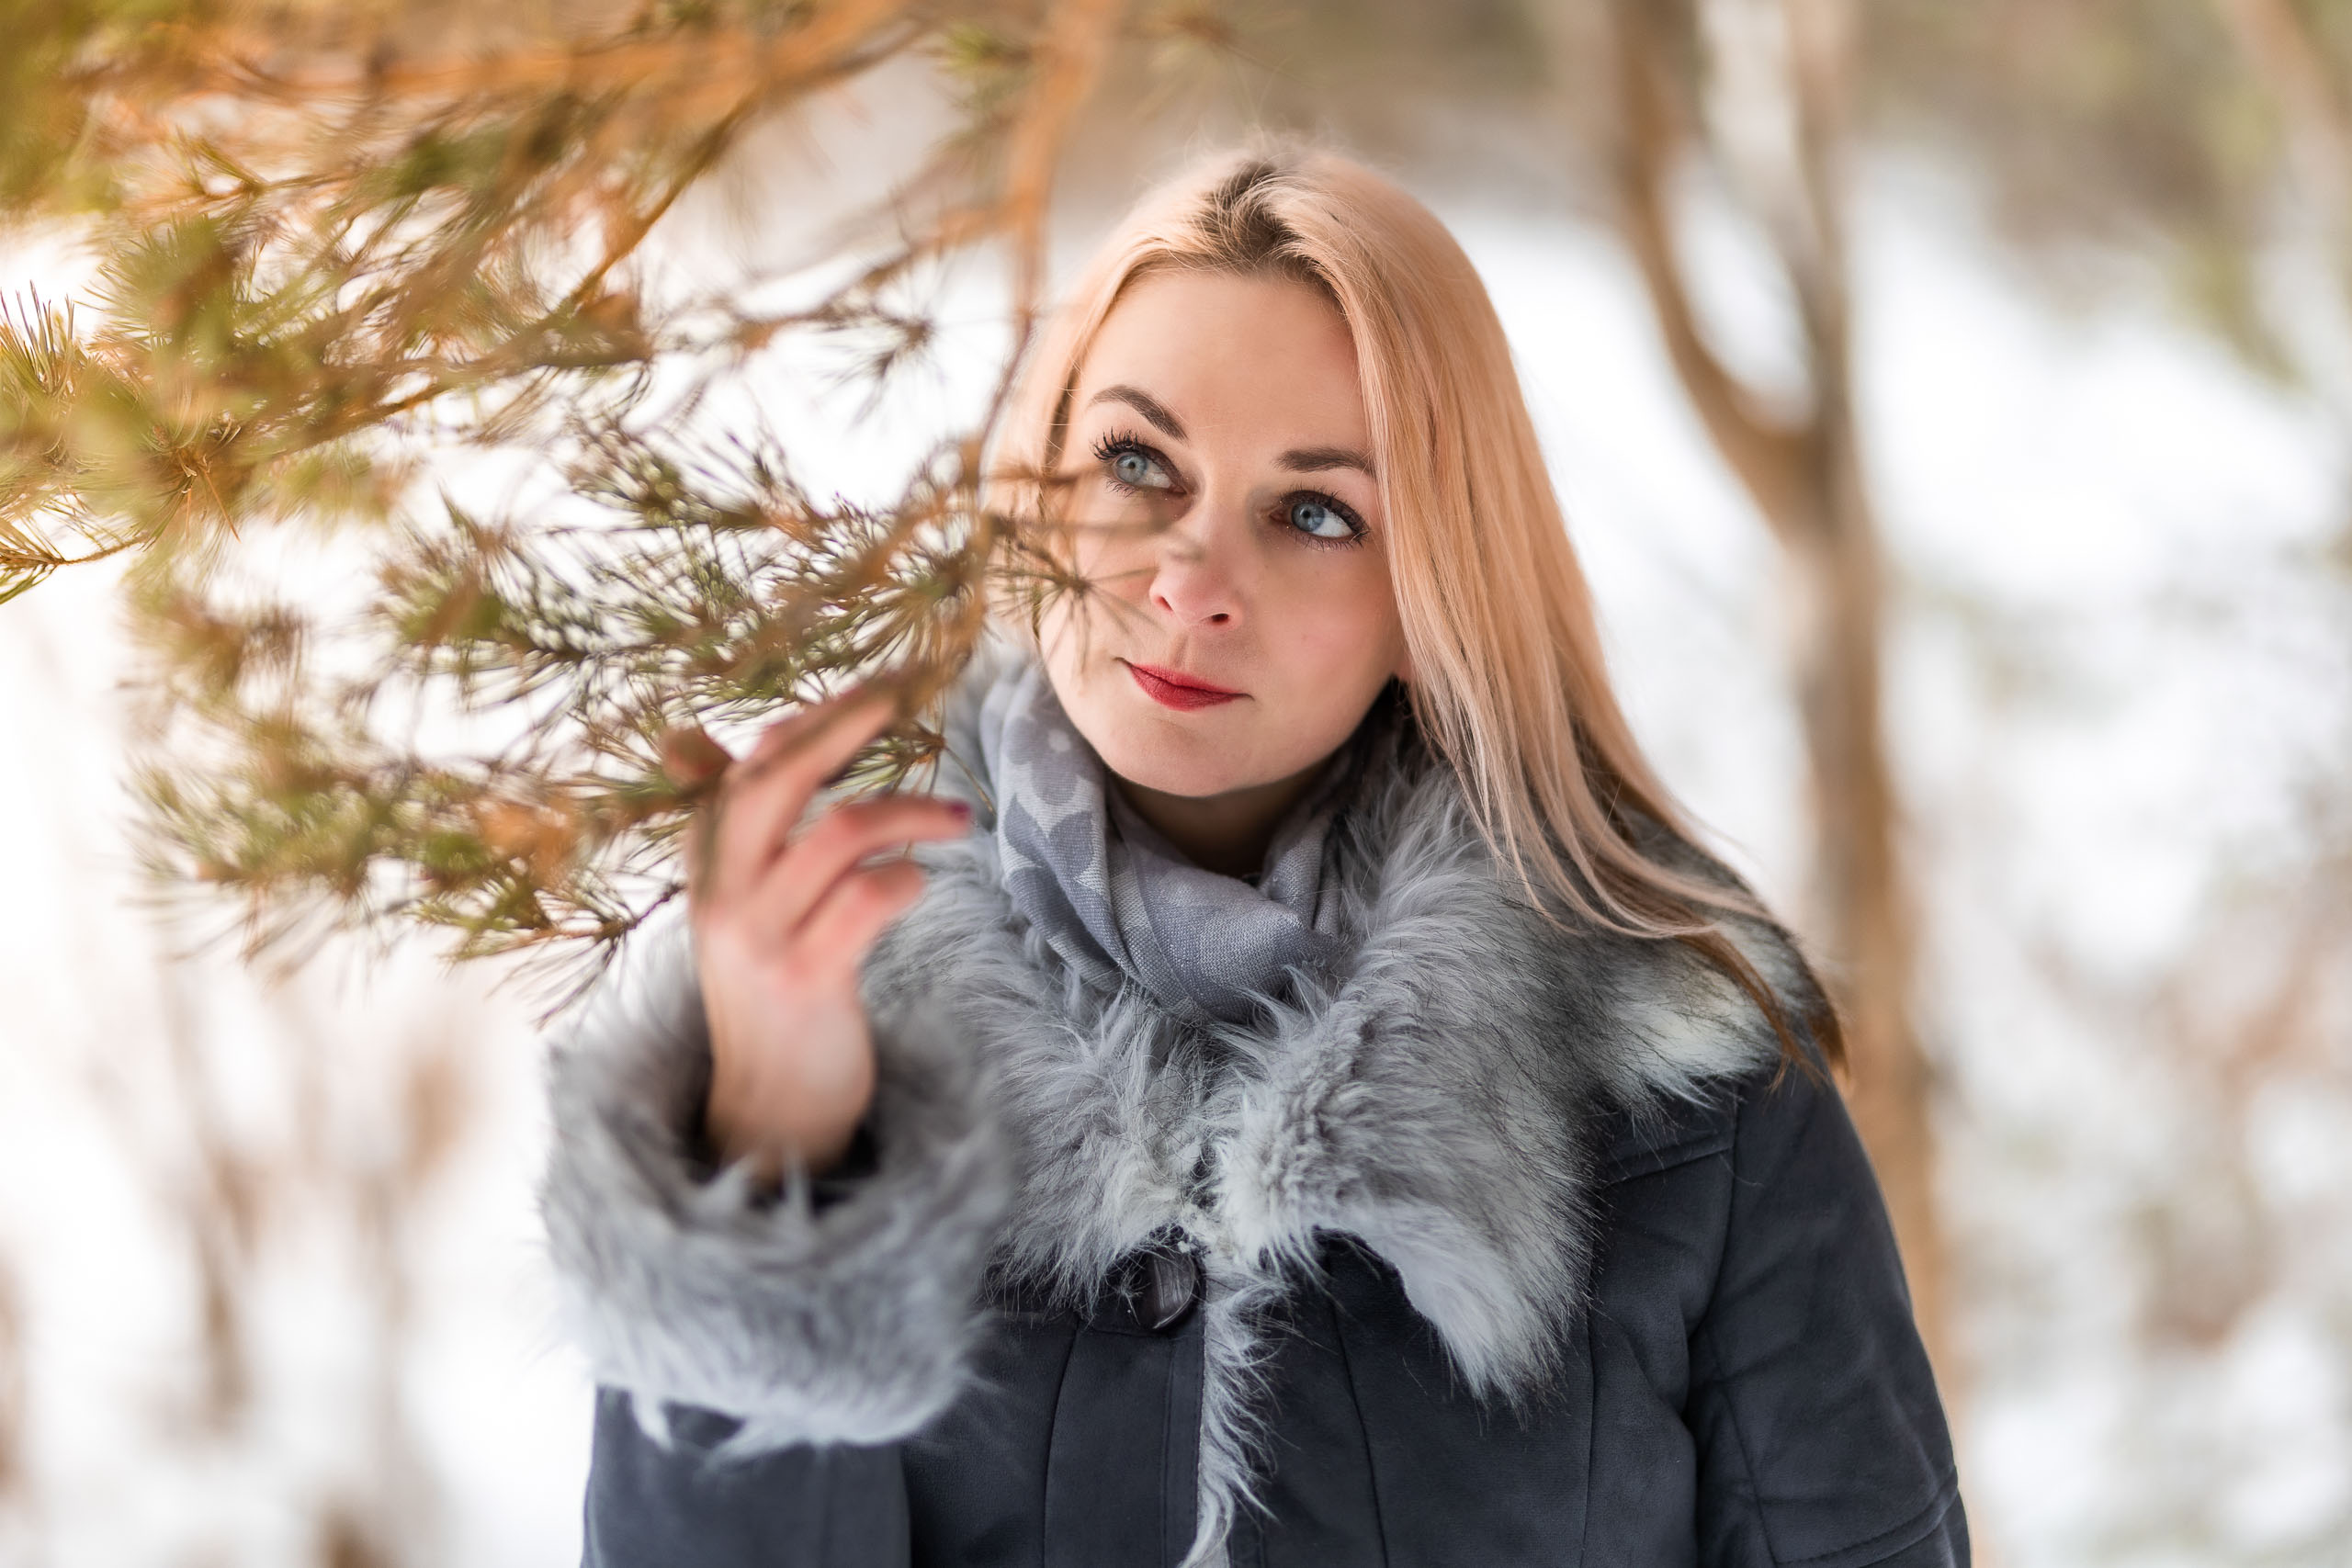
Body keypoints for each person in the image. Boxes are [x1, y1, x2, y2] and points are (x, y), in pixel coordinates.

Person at [539, 147, 1968, 1568]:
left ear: (1432, 591)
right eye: (1136, 463)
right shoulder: (826, 980)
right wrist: (776, 1154)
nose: (1190, 582)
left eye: (1315, 514)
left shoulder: (1684, 1074)